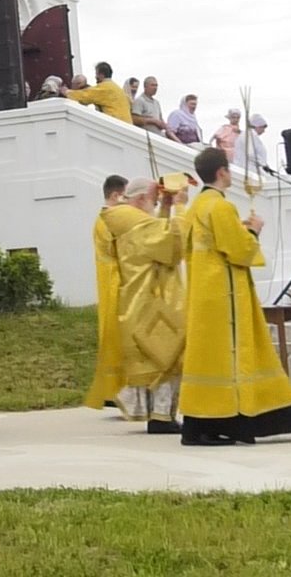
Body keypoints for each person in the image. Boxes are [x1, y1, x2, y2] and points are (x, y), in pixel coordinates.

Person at [178, 147, 291, 445]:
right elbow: (238, 250)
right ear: (222, 172)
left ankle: (201, 425)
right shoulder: (221, 208)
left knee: (212, 363)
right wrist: (252, 232)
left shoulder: (196, 207)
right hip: (227, 297)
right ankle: (288, 418)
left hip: (204, 295)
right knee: (241, 361)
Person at [99, 178, 186, 434]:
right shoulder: (136, 225)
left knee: (156, 360)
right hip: (151, 301)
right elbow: (172, 246)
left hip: (140, 300)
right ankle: (161, 417)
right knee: (165, 357)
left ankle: (158, 415)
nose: (157, 203)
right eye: (155, 200)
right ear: (139, 200)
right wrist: (180, 207)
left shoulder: (127, 221)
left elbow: (157, 233)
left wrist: (166, 209)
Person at [82, 176, 130, 412]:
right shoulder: (107, 221)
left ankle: (116, 390)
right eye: (125, 197)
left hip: (115, 281)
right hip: (116, 283)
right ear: (115, 196)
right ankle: (114, 390)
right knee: (117, 340)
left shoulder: (109, 220)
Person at [62, 62, 132, 123]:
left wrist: (67, 92)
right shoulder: (117, 88)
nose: (95, 76)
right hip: (127, 126)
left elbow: (85, 96)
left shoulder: (104, 88)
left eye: (96, 74)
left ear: (101, 75)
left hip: (116, 126)